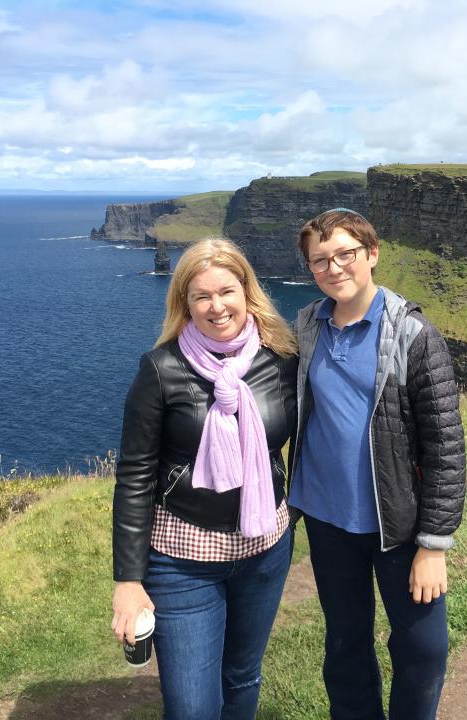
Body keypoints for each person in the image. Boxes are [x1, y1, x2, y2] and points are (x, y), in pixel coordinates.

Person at [288, 208, 466, 720]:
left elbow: (446, 446)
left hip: (400, 525)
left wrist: (434, 545)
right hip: (328, 520)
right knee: (345, 645)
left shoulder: (414, 334)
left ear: (372, 254)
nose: (334, 267)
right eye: (320, 260)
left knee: (422, 648)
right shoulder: (308, 326)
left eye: (345, 254)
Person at [111, 238, 298, 720]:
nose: (217, 306)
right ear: (185, 304)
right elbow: (133, 476)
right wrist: (129, 581)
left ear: (247, 293)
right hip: (183, 560)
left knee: (242, 677)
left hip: (265, 549)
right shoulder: (160, 369)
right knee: (192, 705)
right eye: (201, 296)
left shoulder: (280, 357)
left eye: (227, 291)